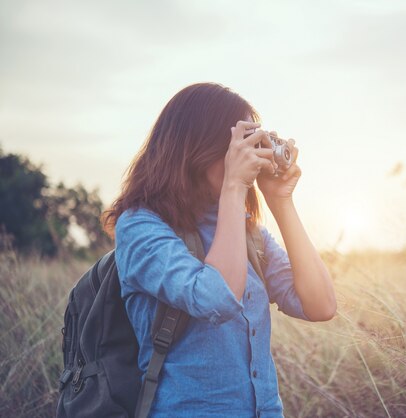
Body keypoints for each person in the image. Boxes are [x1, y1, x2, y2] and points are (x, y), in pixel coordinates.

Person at [100, 82, 336, 417]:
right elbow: (216, 297)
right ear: (197, 147)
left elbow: (320, 305)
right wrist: (234, 185)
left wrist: (280, 201)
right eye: (237, 144)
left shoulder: (246, 232)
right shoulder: (140, 226)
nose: (246, 155)